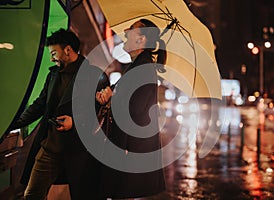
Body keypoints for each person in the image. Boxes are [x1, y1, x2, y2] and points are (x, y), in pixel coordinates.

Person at [10, 28, 110, 199]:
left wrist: (75, 122)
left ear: (68, 50)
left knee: (83, 195)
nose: (52, 58)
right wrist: (13, 123)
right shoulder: (53, 74)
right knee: (32, 193)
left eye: (54, 53)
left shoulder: (95, 76)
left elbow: (100, 118)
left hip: (80, 151)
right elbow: (40, 105)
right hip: (50, 146)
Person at [96, 19, 166, 199]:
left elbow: (135, 110)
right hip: (125, 146)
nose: (126, 30)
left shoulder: (143, 68)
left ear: (141, 40)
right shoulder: (137, 66)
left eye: (132, 29)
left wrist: (113, 97)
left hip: (128, 148)